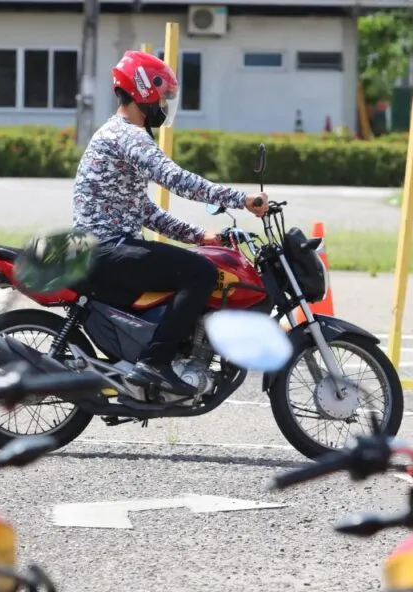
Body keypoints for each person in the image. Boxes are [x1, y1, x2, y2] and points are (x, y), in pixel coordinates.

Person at [72, 50, 268, 397]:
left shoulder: (119, 134)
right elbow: (175, 179)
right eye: (163, 96)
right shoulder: (128, 136)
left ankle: (170, 353)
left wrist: (201, 235)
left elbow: (146, 211)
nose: (164, 105)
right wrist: (242, 199)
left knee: (196, 262)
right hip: (106, 248)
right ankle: (155, 363)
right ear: (144, 90)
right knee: (201, 273)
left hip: (106, 246)